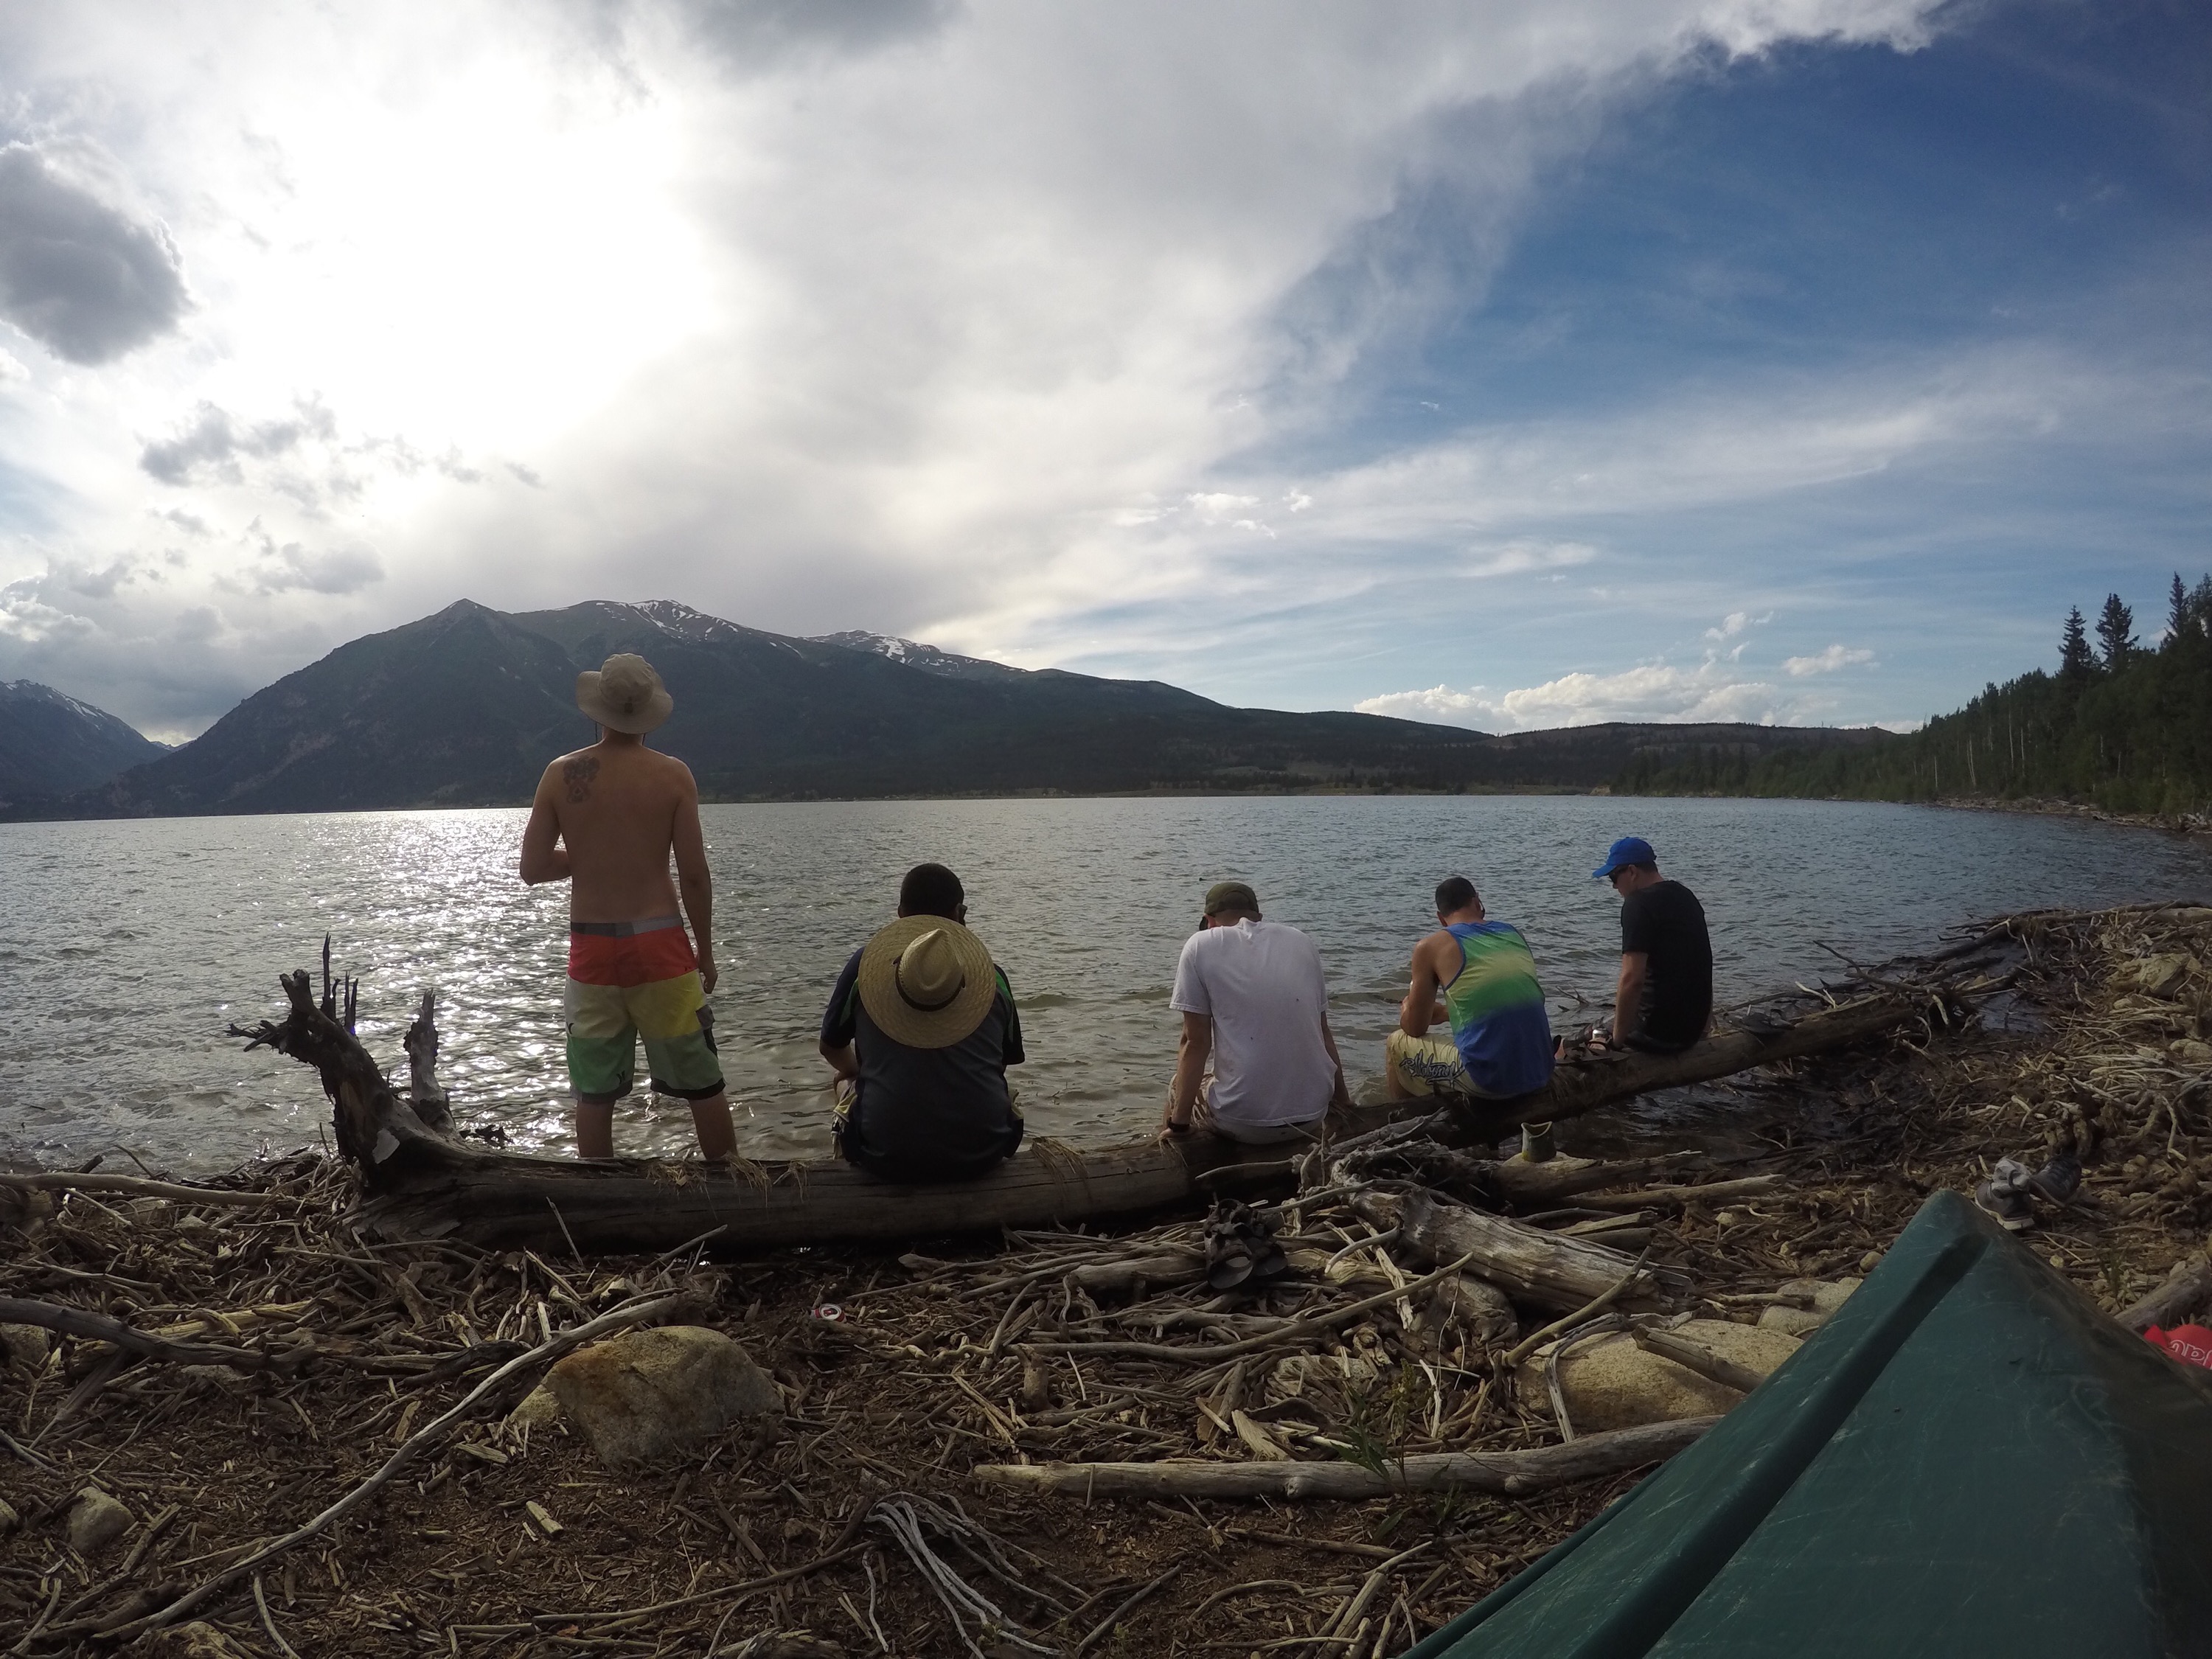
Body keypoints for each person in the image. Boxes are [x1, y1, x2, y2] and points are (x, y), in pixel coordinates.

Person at [519, 653, 737, 1161]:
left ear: (598, 709)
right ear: (649, 712)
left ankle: (599, 1192)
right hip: (660, 945)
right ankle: (735, 1185)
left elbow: (533, 868)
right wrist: (705, 952)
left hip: (592, 949)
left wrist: (586, 854)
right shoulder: (673, 776)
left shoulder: (560, 773)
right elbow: (694, 875)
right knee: (702, 1082)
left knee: (594, 1093)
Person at [818, 863, 1026, 1183]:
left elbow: (830, 1046)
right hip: (983, 1154)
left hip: (884, 1156)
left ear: (900, 914)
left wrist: (860, 1072)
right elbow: (1002, 1061)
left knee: (843, 1080)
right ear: (958, 913)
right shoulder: (992, 977)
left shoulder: (865, 967)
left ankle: (847, 1181)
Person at [1161, 881, 1352, 1144]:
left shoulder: (1200, 945)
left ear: (1209, 921)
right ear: (1258, 917)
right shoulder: (1301, 941)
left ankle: (1172, 1144)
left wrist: (1180, 1123)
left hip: (1243, 1122)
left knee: (1177, 1085)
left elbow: (1194, 1042)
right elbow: (1323, 1033)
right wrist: (1344, 1103)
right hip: (1314, 1113)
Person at [1385, 876, 1555, 1101]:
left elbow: (1415, 1028)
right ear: (1477, 902)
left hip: (1490, 1081)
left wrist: (1407, 1010)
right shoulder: (1513, 933)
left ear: (1441, 918)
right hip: (1542, 1069)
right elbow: (1504, 997)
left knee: (1396, 1043)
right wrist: (1446, 1013)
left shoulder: (1430, 947)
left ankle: (1406, 1116)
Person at [1590, 835, 1712, 1053]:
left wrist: (1617, 1042)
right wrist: (1704, 1027)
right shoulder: (1686, 896)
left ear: (1632, 871)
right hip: (1691, 1032)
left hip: (1656, 1034)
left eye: (1614, 877)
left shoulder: (1637, 904)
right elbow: (1703, 964)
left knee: (1584, 1037)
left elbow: (1632, 979)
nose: (1614, 886)